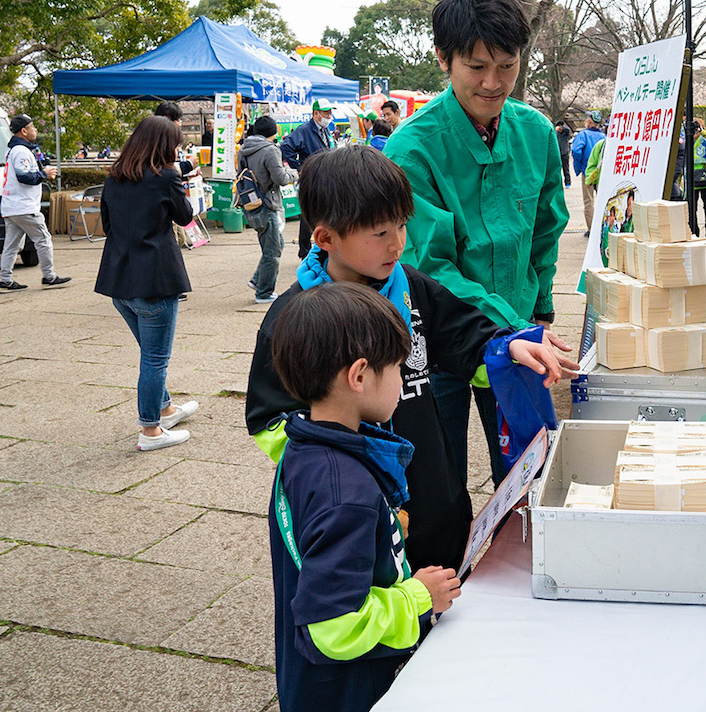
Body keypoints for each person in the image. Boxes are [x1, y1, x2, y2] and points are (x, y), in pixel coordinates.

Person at [245, 145, 577, 572]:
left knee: (447, 579)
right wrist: (344, 457)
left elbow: (462, 333)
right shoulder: (295, 321)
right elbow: (269, 418)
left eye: (402, 226)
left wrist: (507, 346)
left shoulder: (408, 287)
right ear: (326, 238)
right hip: (360, 497)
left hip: (432, 481)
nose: (398, 244)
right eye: (379, 233)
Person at [383, 0, 569, 487]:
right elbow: (431, 266)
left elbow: (546, 232)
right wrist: (512, 328)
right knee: (438, 482)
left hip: (521, 330)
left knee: (529, 470)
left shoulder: (535, 133)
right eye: (477, 66)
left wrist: (541, 311)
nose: (493, 82)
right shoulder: (410, 151)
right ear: (444, 58)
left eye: (507, 66)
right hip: (436, 338)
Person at [266, 281, 461, 712]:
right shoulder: (346, 494)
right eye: (397, 368)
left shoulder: (303, 447)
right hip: (349, 692)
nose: (402, 380)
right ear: (359, 376)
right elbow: (334, 627)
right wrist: (418, 597)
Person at [95, 116, 199, 450]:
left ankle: (165, 408)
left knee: (150, 353)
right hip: (154, 280)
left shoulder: (114, 177)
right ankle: (150, 429)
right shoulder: (166, 177)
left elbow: (108, 225)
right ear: (164, 146)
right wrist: (182, 183)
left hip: (119, 280)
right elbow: (185, 217)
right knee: (155, 359)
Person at [0, 114, 69, 293]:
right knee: (43, 239)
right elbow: (24, 177)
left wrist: (42, 164)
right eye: (32, 127)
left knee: (12, 245)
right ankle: (49, 276)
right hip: (24, 206)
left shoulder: (15, 149)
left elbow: (34, 166)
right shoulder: (21, 151)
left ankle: (5, 279)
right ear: (24, 131)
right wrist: (44, 174)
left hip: (11, 205)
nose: (35, 129)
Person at [238, 115, 298, 304]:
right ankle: (264, 292)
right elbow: (280, 178)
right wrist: (295, 174)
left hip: (250, 203)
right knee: (273, 250)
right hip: (267, 204)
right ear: (274, 132)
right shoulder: (270, 150)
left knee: (275, 244)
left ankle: (258, 280)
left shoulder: (244, 149)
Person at [281, 98, 337, 258]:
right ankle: (304, 251)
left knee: (323, 212)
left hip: (326, 176)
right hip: (312, 177)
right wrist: (301, 167)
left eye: (330, 112)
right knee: (310, 214)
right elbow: (286, 147)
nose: (329, 115)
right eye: (325, 112)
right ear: (315, 114)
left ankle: (321, 248)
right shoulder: (304, 130)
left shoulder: (325, 130)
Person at [571, 111, 605, 234]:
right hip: (601, 173)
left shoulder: (583, 134)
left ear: (589, 121)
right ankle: (603, 227)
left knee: (589, 201)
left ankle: (592, 230)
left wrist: (579, 166)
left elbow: (576, 150)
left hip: (588, 171)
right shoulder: (604, 136)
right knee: (602, 199)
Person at [555, 119, 573, 188]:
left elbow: (567, 129)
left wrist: (561, 128)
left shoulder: (566, 132)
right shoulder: (556, 133)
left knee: (566, 169)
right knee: (557, 169)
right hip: (557, 152)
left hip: (564, 152)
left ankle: (567, 182)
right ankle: (558, 183)